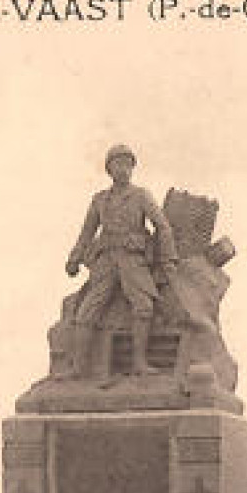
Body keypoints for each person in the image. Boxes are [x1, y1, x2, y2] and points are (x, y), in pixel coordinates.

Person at [61, 144, 178, 378]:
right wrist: (73, 259)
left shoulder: (141, 195)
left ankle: (139, 364)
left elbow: (163, 227)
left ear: (132, 168)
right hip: (106, 260)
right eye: (117, 164)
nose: (123, 169)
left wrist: (168, 260)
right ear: (109, 169)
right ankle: (78, 368)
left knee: (144, 306)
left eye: (127, 164)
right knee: (86, 311)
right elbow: (87, 233)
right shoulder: (99, 200)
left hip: (133, 260)